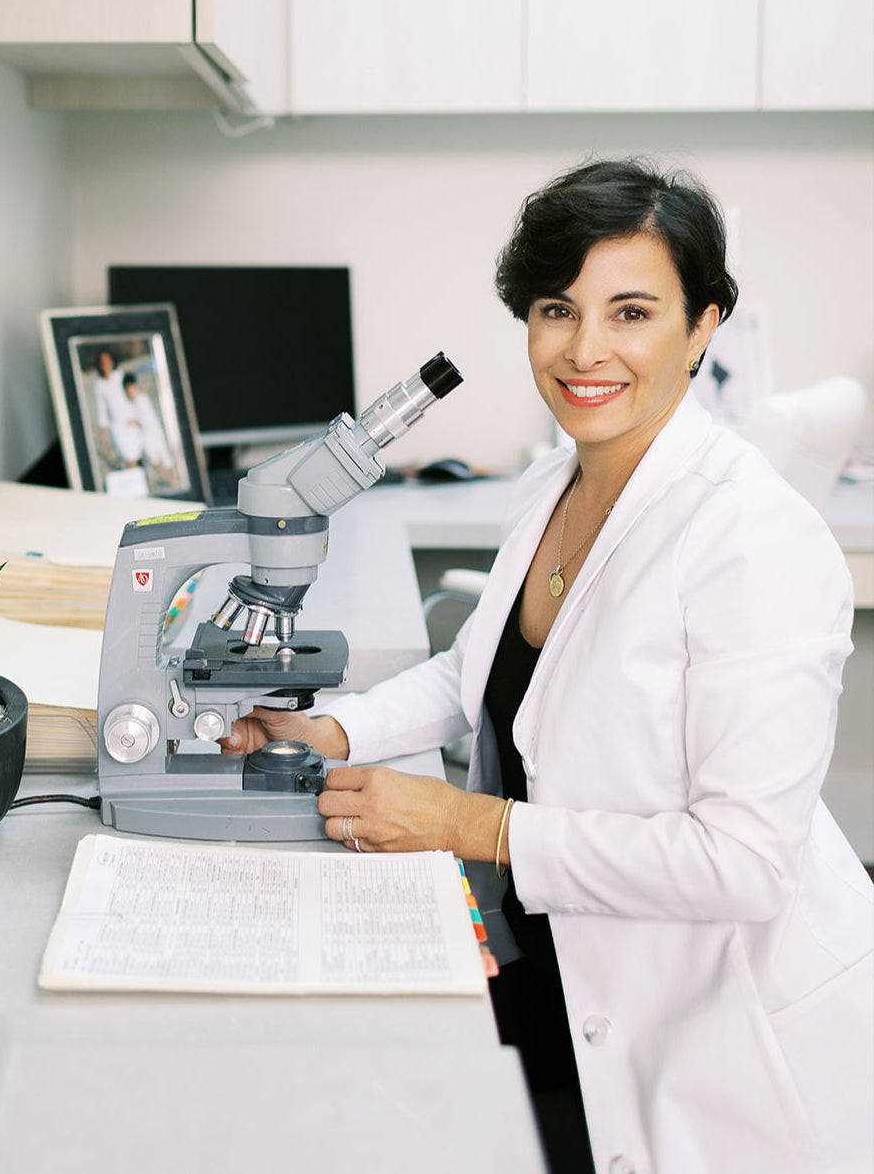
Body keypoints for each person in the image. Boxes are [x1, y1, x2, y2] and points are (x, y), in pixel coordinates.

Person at [222, 158, 873, 1174]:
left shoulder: (754, 538)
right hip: (560, 961)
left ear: (702, 325)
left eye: (629, 312)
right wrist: (334, 728)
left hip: (715, 1036)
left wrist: (464, 823)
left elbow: (741, 862)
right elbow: (477, 670)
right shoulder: (551, 481)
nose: (582, 350)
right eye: (554, 308)